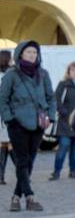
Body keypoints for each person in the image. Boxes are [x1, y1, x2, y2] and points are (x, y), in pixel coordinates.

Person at [0, 40, 54, 212]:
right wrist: (9, 119)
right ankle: (30, 196)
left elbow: (51, 97)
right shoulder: (11, 75)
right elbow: (3, 99)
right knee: (22, 160)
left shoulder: (43, 74)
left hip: (38, 124)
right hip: (17, 124)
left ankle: (16, 197)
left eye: (35, 52)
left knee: (29, 161)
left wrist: (51, 117)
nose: (32, 55)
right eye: (29, 52)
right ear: (20, 54)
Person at [0, 50, 12, 186]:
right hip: (5, 114)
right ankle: (24, 173)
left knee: (4, 144)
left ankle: (1, 176)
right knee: (8, 143)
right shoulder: (8, 76)